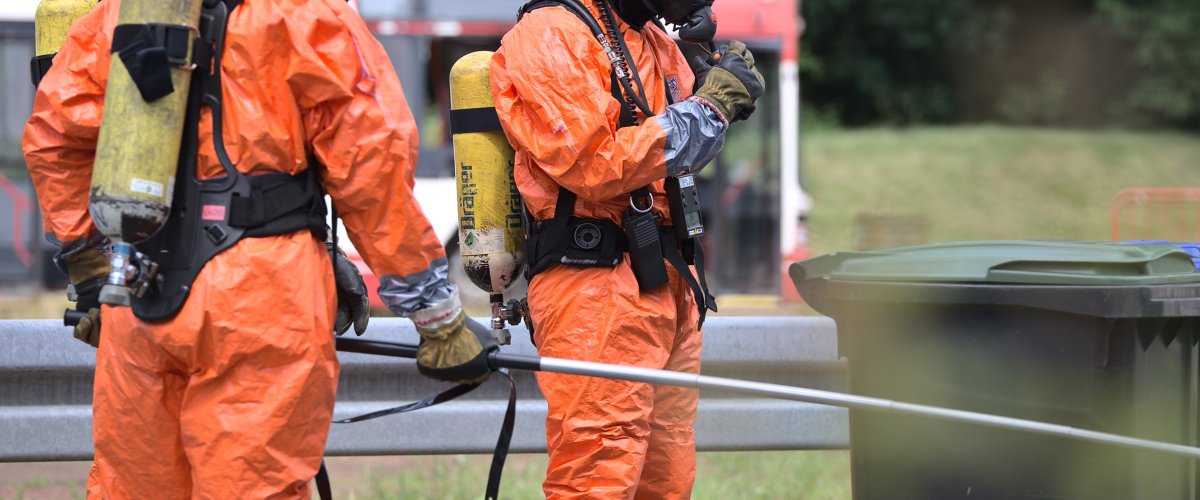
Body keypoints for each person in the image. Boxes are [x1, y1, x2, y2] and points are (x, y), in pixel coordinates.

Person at [23, 0, 492, 497]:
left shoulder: (121, 13)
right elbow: (370, 168)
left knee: (134, 487)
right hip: (262, 296)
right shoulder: (305, 14)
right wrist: (436, 319)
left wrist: (93, 273)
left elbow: (53, 141)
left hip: (140, 292)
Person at [490, 0, 764, 497]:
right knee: (599, 473)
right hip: (595, 290)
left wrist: (711, 86)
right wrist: (711, 108)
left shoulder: (655, 42)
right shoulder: (550, 33)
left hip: (666, 285)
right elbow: (596, 164)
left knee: (667, 478)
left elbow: (673, 154)